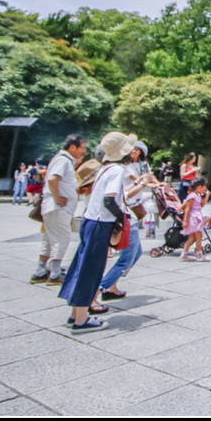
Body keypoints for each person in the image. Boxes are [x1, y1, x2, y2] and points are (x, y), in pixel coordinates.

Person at [59, 132, 148, 333]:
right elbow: (110, 201)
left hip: (89, 220)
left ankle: (75, 314)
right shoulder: (116, 170)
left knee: (81, 267)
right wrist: (120, 218)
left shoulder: (103, 168)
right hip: (101, 223)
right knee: (91, 270)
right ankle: (82, 320)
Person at [98, 140, 158, 301]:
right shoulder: (120, 169)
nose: (133, 152)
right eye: (130, 149)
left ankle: (111, 286)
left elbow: (144, 180)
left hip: (128, 212)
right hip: (125, 213)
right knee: (127, 257)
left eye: (137, 150)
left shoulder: (135, 165)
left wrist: (151, 182)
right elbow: (123, 194)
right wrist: (143, 182)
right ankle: (97, 291)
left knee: (135, 252)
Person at [30, 135, 87, 285]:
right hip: (58, 207)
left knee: (49, 239)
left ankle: (40, 271)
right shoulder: (63, 160)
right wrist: (57, 197)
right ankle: (55, 273)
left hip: (54, 207)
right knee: (62, 238)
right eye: (82, 148)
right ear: (73, 147)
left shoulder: (62, 159)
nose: (84, 151)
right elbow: (52, 179)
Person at [179, 177, 210, 262]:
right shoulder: (192, 196)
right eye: (204, 187)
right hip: (194, 217)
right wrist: (185, 221)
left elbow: (201, 205)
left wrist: (206, 196)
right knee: (198, 236)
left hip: (196, 216)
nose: (204, 189)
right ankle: (199, 254)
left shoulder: (197, 195)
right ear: (199, 187)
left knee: (192, 237)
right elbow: (188, 208)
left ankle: (184, 254)